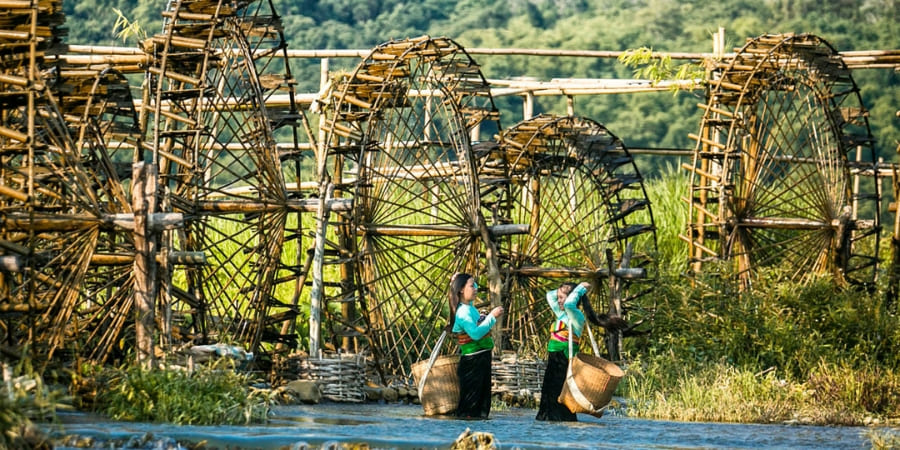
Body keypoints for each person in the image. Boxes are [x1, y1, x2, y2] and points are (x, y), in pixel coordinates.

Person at [535, 281, 625, 421]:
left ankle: (560, 420)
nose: (558, 301)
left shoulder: (575, 315)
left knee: (561, 392)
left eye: (562, 298)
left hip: (565, 358)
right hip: (554, 358)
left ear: (572, 298)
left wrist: (580, 289)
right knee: (548, 391)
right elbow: (549, 295)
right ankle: (546, 419)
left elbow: (569, 304)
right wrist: (563, 291)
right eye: (558, 298)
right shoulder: (561, 314)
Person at [447, 272, 504, 419]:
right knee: (471, 404)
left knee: (482, 401)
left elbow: (467, 291)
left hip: (481, 358)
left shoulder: (469, 307)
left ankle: (479, 430)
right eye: (472, 286)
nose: (476, 289)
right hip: (473, 361)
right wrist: (492, 317)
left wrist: (455, 281)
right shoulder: (463, 313)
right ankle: (468, 433)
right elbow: (476, 334)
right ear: (461, 290)